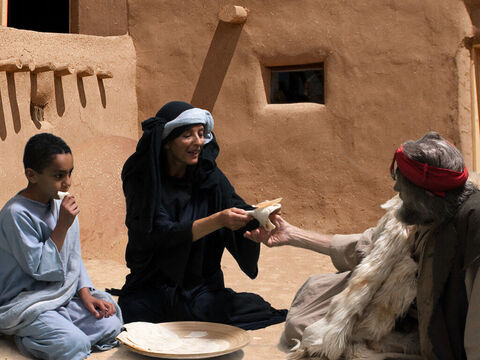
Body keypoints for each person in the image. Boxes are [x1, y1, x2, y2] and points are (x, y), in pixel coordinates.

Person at [245, 132, 480, 359]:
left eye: (401, 183)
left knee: (321, 339)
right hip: (395, 303)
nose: (396, 190)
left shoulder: (469, 232)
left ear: (425, 194)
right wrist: (292, 234)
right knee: (306, 310)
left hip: (425, 327)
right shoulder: (419, 213)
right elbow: (366, 248)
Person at [117, 101, 287, 330]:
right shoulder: (143, 177)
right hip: (153, 280)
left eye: (201, 133)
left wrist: (258, 218)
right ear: (167, 141)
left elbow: (234, 205)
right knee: (132, 312)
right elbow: (159, 233)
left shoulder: (208, 173)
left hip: (199, 283)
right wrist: (218, 220)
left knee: (228, 310)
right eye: (187, 135)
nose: (198, 142)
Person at [0, 133, 123, 360]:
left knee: (111, 323)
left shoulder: (59, 204)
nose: (67, 182)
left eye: (70, 173)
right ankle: (26, 337)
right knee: (73, 344)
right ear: (32, 175)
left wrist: (85, 293)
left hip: (60, 297)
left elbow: (72, 259)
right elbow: (41, 268)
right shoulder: (16, 214)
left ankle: (59, 333)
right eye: (59, 175)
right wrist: (62, 226)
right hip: (27, 303)